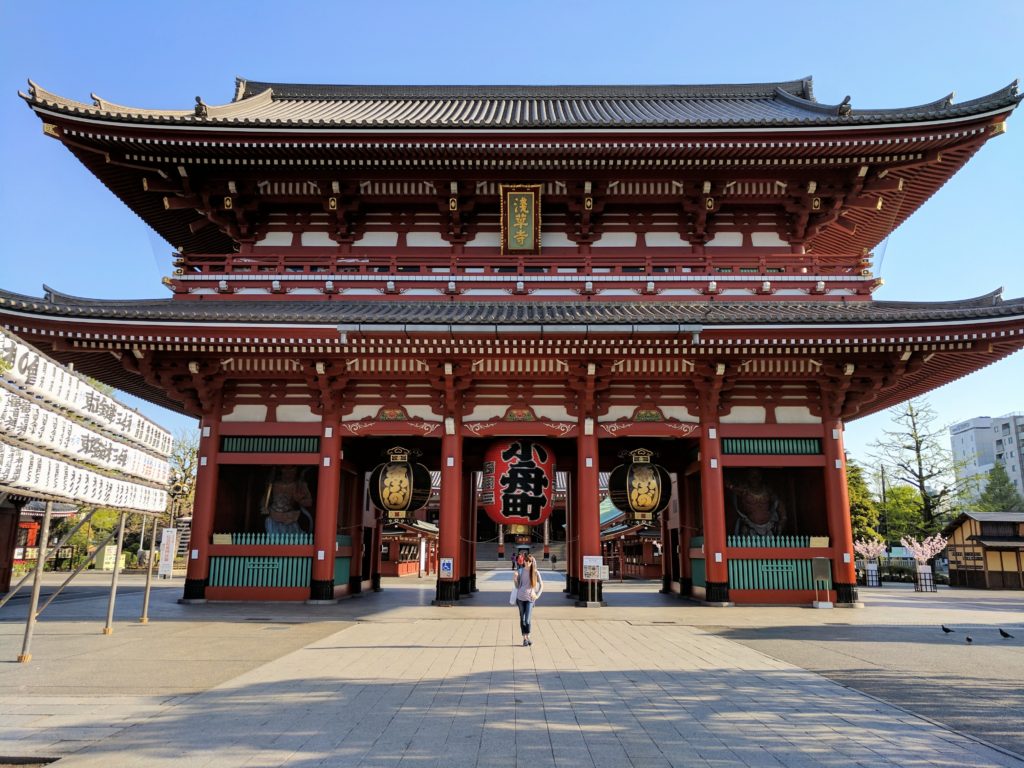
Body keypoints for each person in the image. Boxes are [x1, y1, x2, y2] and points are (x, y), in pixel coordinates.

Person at [726, 469, 786, 537]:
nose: (755, 478)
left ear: (761, 477)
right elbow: (730, 487)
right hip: (750, 526)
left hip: (769, 527)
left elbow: (778, 503)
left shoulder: (767, 490)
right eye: (752, 475)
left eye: (757, 475)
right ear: (748, 477)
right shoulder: (744, 490)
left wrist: (783, 519)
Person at [262, 465, 313, 534]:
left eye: (291, 471)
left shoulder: (300, 485)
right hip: (274, 517)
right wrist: (264, 507)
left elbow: (309, 502)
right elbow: (265, 500)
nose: (288, 474)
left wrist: (299, 500)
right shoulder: (274, 484)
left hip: (291, 518)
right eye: (285, 471)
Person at [513, 552, 543, 646]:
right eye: (526, 561)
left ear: (532, 562)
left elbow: (542, 585)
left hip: (530, 598)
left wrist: (537, 595)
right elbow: (517, 586)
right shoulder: (520, 571)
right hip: (520, 598)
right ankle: (525, 638)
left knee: (527, 619)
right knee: (522, 618)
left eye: (529, 561)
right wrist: (515, 580)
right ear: (523, 561)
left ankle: (528, 636)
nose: (527, 563)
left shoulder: (535, 572)